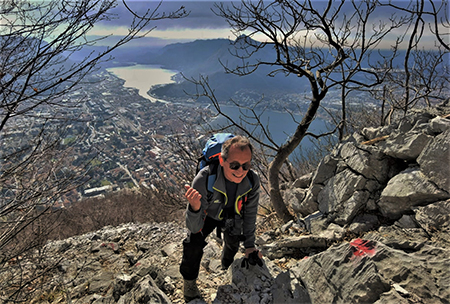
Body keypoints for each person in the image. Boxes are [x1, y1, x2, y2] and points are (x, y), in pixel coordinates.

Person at [180, 135, 262, 302]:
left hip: (233, 214)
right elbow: (193, 227)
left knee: (233, 243)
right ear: (222, 161)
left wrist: (250, 245)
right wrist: (195, 208)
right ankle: (189, 282)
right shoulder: (204, 180)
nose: (240, 171)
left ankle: (227, 267)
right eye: (234, 165)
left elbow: (250, 213)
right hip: (209, 214)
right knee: (193, 242)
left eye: (246, 165)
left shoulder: (252, 180)